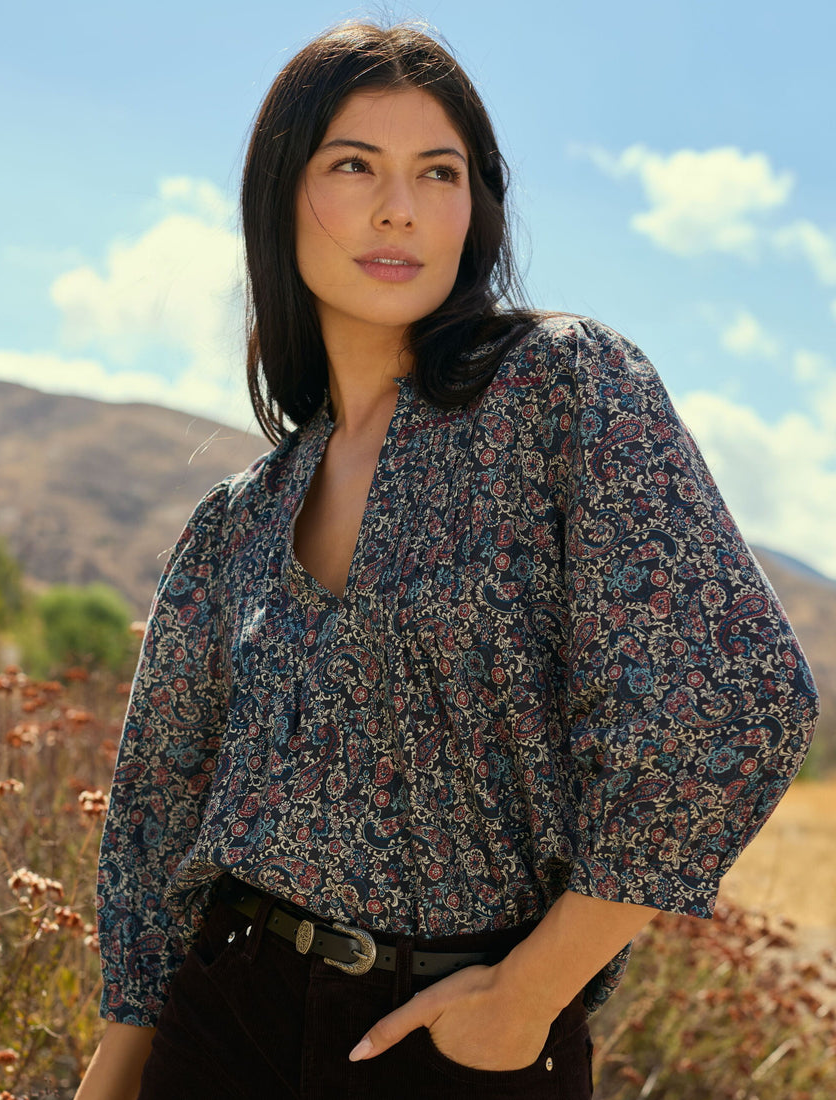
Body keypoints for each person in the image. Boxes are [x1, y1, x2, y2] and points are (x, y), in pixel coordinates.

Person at [75, 20, 818, 1100]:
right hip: (223, 1018)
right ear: (279, 196)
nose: (401, 209)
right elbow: (156, 812)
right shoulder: (234, 522)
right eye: (353, 166)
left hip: (462, 1037)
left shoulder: (559, 389)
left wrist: (530, 993)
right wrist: (114, 1070)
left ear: (476, 208)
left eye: (439, 172)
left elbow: (735, 698)